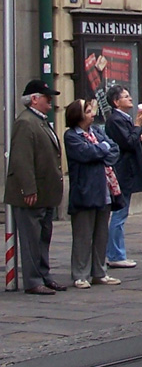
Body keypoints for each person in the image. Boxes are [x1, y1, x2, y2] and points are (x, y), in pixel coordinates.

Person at [3, 80, 66, 294]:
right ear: (34, 99)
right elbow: (22, 159)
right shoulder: (26, 122)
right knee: (31, 238)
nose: (50, 102)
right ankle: (33, 280)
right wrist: (28, 188)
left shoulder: (40, 121)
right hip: (32, 193)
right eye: (46, 97)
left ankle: (43, 274)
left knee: (43, 237)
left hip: (46, 193)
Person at [64, 99, 122, 288]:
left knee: (101, 235)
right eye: (88, 111)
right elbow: (86, 154)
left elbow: (114, 150)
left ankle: (99, 272)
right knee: (83, 235)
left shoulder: (97, 131)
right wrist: (101, 150)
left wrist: (101, 152)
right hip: (85, 192)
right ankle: (80, 274)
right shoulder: (72, 136)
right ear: (78, 116)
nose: (92, 114)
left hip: (104, 190)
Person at [104, 85, 142, 269]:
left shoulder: (123, 119)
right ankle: (115, 254)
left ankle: (116, 252)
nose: (130, 98)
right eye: (125, 96)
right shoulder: (115, 121)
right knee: (119, 215)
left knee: (121, 214)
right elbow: (128, 142)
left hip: (127, 172)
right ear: (116, 102)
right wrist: (138, 126)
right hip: (123, 172)